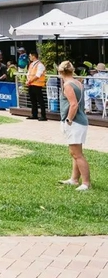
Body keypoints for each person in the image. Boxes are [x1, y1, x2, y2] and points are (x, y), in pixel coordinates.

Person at [57, 61, 91, 191]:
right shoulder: (78, 83)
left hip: (75, 122)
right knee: (75, 152)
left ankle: (86, 183)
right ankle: (74, 179)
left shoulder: (67, 85)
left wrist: (68, 120)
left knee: (77, 154)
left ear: (61, 72)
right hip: (81, 121)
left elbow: (73, 104)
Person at [26, 51, 48, 121]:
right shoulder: (31, 64)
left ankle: (43, 115)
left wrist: (29, 80)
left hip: (37, 85)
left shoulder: (40, 65)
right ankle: (34, 114)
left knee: (40, 101)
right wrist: (28, 80)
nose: (29, 57)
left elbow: (38, 75)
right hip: (31, 84)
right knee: (33, 100)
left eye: (30, 56)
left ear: (33, 56)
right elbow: (29, 73)